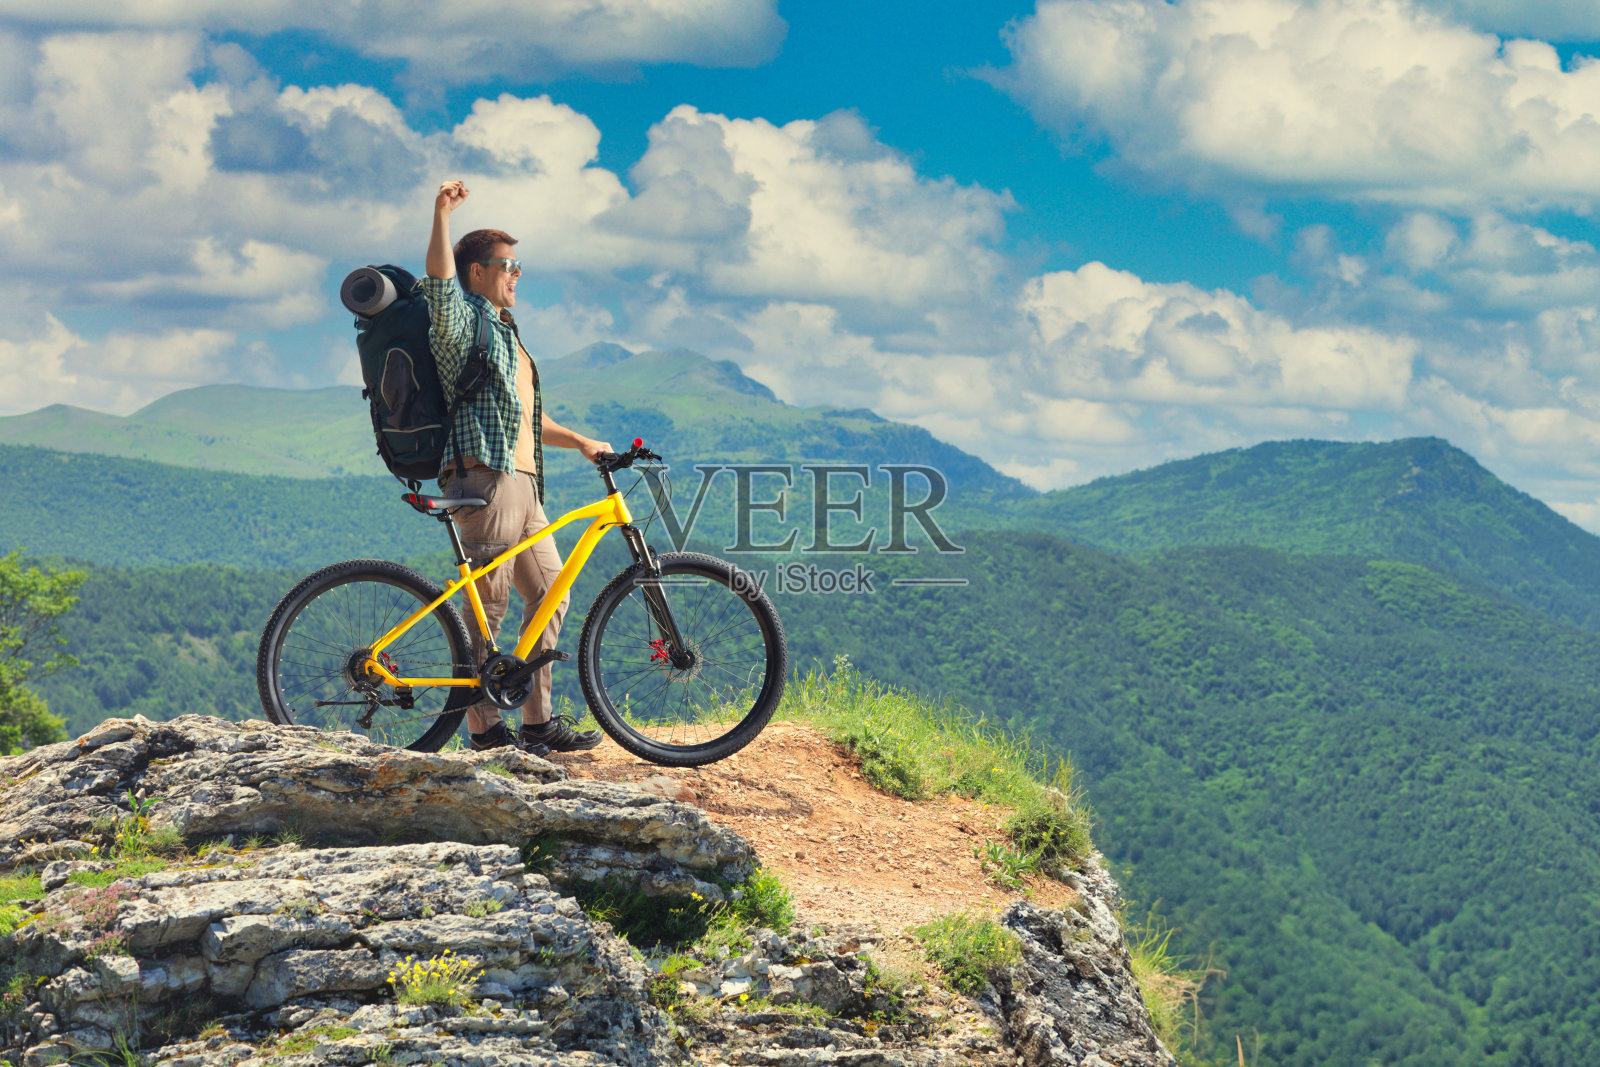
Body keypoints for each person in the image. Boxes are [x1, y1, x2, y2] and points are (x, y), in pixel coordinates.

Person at [423, 177, 609, 754]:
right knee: (490, 605)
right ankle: (487, 732)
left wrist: (579, 440)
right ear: (477, 271)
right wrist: (441, 216)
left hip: (525, 485)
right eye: (508, 264)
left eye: (519, 265)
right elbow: (437, 284)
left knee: (551, 594)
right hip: (484, 479)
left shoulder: (508, 335)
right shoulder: (462, 324)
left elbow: (530, 419)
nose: (516, 274)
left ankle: (537, 722)